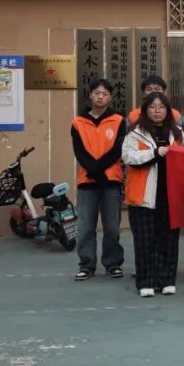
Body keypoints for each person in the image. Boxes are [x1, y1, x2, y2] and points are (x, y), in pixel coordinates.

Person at [122, 92, 183, 296]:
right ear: (145, 110)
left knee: (169, 241)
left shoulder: (178, 134)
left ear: (168, 110)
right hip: (143, 196)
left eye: (161, 107)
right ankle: (146, 282)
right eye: (153, 107)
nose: (157, 111)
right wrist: (154, 152)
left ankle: (167, 280)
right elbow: (128, 157)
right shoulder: (135, 133)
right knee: (145, 241)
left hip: (170, 196)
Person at [71, 79, 127, 281]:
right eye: (97, 93)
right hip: (87, 182)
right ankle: (86, 265)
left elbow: (117, 150)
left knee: (112, 227)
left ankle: (113, 263)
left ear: (110, 97)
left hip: (111, 181)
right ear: (90, 95)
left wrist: (99, 170)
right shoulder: (78, 122)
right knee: (86, 227)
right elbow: (80, 152)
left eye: (104, 94)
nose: (100, 97)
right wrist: (94, 171)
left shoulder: (119, 121)